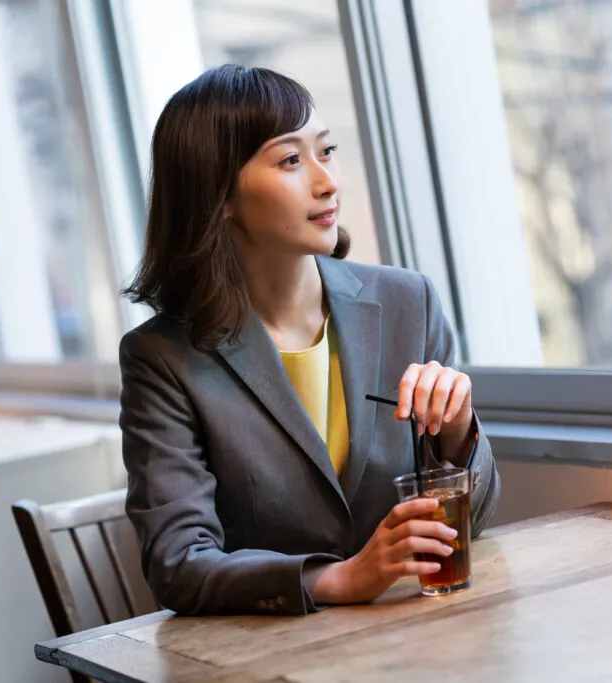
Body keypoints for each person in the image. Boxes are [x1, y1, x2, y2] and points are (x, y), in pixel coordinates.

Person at [118, 64, 500, 616]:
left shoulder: (407, 304)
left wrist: (458, 431)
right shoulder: (162, 359)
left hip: (423, 639)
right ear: (218, 193)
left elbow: (477, 522)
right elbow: (179, 565)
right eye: (291, 160)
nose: (328, 182)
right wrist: (337, 580)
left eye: (327, 151)